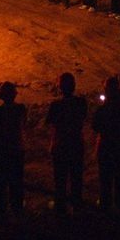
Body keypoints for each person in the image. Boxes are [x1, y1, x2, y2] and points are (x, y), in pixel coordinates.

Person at [45, 72, 87, 212]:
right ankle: (77, 205)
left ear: (60, 87)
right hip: (76, 143)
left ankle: (60, 205)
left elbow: (49, 122)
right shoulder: (81, 103)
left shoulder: (56, 105)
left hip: (61, 144)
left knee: (60, 178)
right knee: (76, 177)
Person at [91, 75, 120, 210]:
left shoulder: (103, 109)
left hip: (106, 147)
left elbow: (95, 126)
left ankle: (106, 205)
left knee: (105, 178)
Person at [0, 81, 27, 213]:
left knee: (0, 182)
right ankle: (17, 208)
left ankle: (1, 208)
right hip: (15, 148)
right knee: (17, 180)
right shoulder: (20, 109)